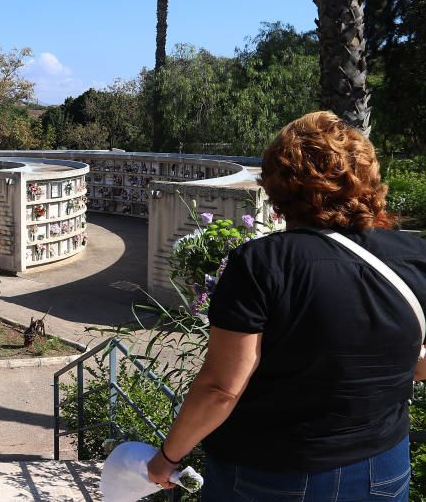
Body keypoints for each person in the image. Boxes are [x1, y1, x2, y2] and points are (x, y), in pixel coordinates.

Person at [147, 111, 426, 500]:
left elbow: (221, 388)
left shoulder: (260, 263)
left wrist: (168, 456)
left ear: (278, 184)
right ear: (366, 177)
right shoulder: (415, 256)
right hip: (381, 466)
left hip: (271, 473)